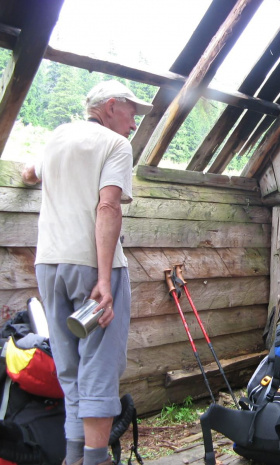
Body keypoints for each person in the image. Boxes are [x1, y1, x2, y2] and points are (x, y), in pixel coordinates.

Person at [21, 80, 152, 465]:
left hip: (48, 265)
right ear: (111, 106)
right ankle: (95, 461)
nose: (134, 123)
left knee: (69, 364)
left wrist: (29, 175)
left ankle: (75, 457)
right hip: (92, 265)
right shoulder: (115, 145)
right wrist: (104, 280)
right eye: (132, 112)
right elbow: (108, 207)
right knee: (99, 362)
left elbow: (32, 172)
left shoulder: (58, 137)